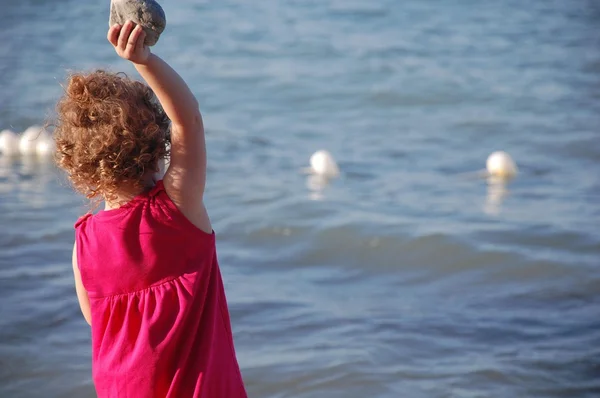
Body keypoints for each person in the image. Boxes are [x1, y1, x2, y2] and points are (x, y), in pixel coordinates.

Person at [53, 21, 248, 397]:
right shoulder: (177, 210)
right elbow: (188, 120)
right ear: (157, 145)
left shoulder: (85, 245)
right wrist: (144, 60)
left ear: (80, 166)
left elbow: (99, 324)